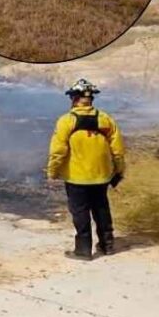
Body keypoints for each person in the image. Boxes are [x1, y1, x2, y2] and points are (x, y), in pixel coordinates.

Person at [46, 79, 126, 260]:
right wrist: (119, 171)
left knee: (80, 212)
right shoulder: (106, 119)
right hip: (101, 176)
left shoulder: (66, 121)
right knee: (101, 209)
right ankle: (108, 246)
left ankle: (83, 251)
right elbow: (118, 151)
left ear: (73, 99)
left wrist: (52, 172)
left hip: (76, 178)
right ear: (91, 100)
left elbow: (58, 151)